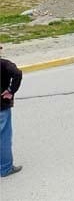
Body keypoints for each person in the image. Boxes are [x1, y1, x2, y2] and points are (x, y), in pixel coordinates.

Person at [1, 46, 23, 178]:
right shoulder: (4, 64)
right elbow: (17, 73)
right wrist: (10, 90)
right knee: (3, 137)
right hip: (1, 106)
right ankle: (5, 168)